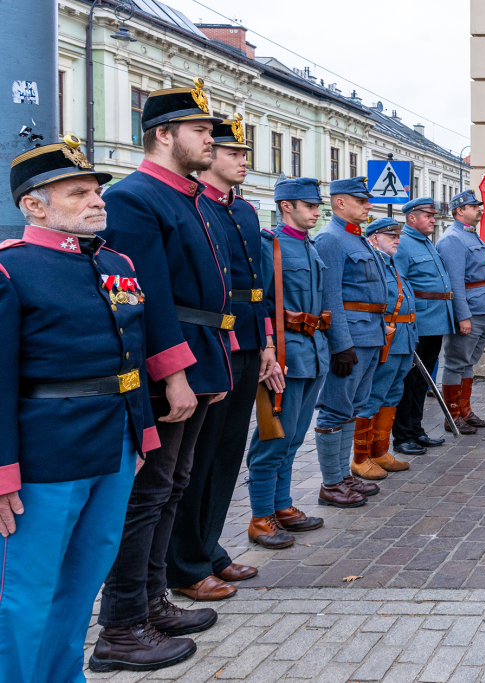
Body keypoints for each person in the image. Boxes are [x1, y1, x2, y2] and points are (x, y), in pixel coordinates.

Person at [0, 136, 160, 683]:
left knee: (83, 581)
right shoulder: (12, 271)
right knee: (26, 592)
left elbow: (129, 354)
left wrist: (143, 436)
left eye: (96, 190)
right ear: (34, 206)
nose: (96, 200)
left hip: (115, 446)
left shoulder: (115, 262)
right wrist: (2, 473)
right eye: (78, 192)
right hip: (45, 455)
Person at [93, 80, 232, 671]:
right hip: (164, 365)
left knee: (171, 485)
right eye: (200, 131)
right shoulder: (135, 197)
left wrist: (213, 364)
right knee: (146, 495)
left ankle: (153, 601)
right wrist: (174, 373)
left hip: (197, 356)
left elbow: (209, 290)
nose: (210, 139)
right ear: (163, 135)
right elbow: (143, 297)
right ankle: (122, 625)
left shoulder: (188, 196)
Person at [165, 115, 284, 600]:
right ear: (209, 158)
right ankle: (186, 561)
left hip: (248, 341)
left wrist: (267, 346)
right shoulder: (198, 208)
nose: (243, 161)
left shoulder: (245, 212)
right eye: (234, 153)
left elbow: (260, 289)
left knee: (227, 454)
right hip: (216, 343)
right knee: (199, 457)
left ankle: (209, 547)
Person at [244, 177, 329, 549]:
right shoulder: (269, 245)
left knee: (293, 437)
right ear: (286, 207)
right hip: (283, 355)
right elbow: (258, 303)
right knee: (272, 436)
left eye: (316, 206)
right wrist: (267, 350)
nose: (316, 212)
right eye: (309, 206)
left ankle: (282, 506)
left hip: (312, 352)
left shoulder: (308, 246)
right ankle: (261, 516)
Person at [311, 177, 390, 494]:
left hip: (370, 334)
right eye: (361, 200)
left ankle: (343, 476)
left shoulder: (356, 239)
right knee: (335, 408)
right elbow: (330, 299)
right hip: (351, 339)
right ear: (340, 203)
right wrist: (341, 345)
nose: (368, 205)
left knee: (354, 406)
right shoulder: (330, 239)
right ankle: (331, 482)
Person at [436, 189, 485, 434]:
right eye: (474, 206)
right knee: (455, 363)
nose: (479, 210)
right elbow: (454, 282)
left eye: (478, 206)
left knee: (468, 362)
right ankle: (452, 415)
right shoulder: (453, 239)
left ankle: (465, 411)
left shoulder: (472, 236)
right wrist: (462, 315)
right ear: (459, 210)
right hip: (471, 312)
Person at [391, 197, 454, 455]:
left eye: (433, 215)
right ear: (411, 218)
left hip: (435, 321)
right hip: (417, 323)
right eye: (427, 215)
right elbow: (399, 286)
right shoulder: (403, 244)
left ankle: (417, 430)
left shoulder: (426, 242)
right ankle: (403, 435)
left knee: (421, 382)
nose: (433, 219)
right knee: (409, 381)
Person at [358, 218, 418, 473]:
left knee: (393, 393)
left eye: (397, 235)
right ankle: (360, 458)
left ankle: (380, 452)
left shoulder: (392, 263)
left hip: (404, 336)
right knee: (374, 395)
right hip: (387, 336)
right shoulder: (373, 264)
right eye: (390, 235)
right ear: (373, 238)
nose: (397, 239)